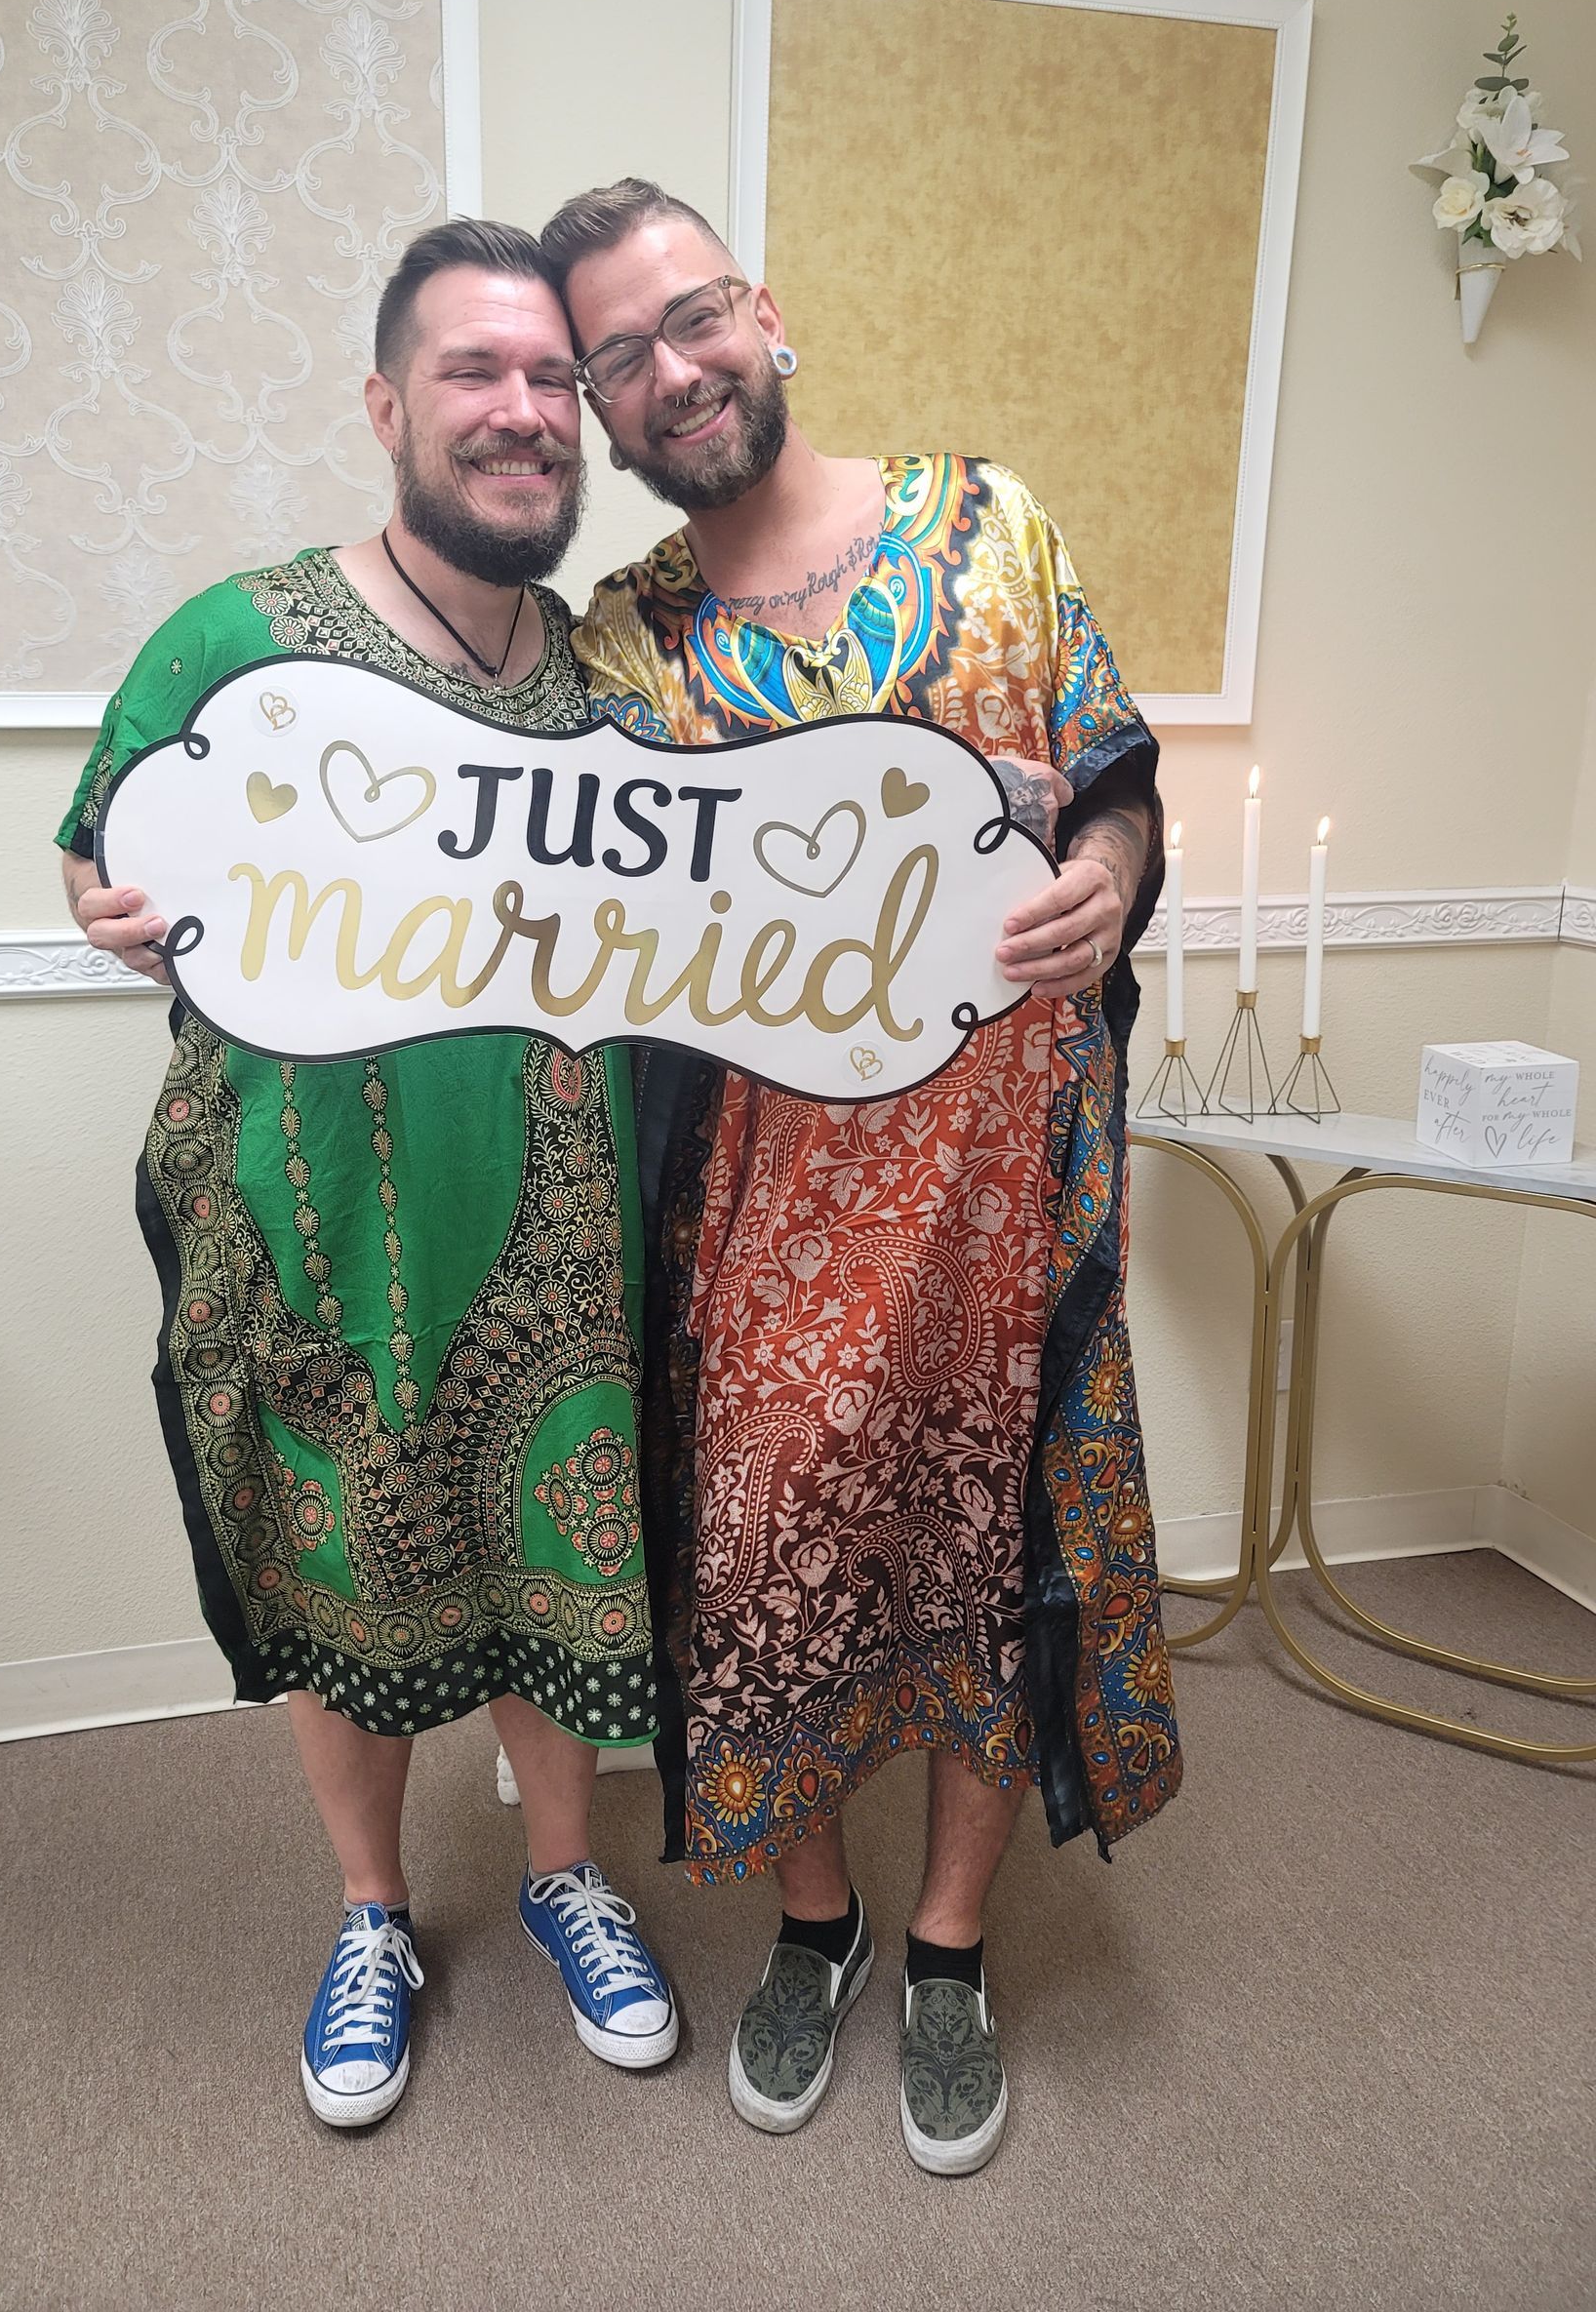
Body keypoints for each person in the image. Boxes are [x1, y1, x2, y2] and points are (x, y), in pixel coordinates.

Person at [539, 179, 1178, 2175]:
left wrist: (1111, 884)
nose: (672, 369)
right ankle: (812, 1920)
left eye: (692, 316)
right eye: (617, 356)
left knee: (991, 1569)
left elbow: (1116, 784)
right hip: (755, 1216)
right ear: (595, 406)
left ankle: (950, 1948)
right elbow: (529, 884)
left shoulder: (996, 528)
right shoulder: (620, 641)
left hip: (1003, 1188)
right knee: (762, 1576)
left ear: (766, 313)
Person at [58, 218, 676, 2131]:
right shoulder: (239, 639)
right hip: (310, 1210)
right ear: (389, 401)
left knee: (569, 1554)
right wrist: (102, 898)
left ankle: (569, 1877)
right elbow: (106, 840)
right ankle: (375, 1910)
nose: (520, 410)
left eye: (552, 380)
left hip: (569, 1226)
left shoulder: (613, 675)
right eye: (477, 372)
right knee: (334, 1559)